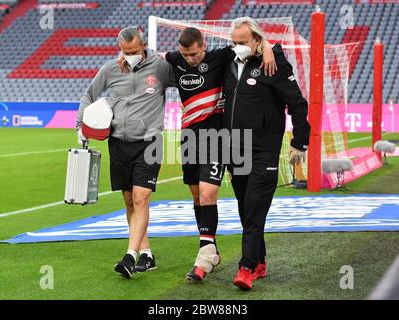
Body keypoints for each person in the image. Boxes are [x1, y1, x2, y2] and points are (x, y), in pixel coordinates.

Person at [118, 26, 277, 283]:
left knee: (208, 192)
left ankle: (205, 256)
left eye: (194, 54)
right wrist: (125, 58)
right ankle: (210, 248)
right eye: (186, 54)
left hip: (217, 137)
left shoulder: (221, 56)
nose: (190, 59)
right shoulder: (174, 60)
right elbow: (147, 55)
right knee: (197, 195)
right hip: (189, 138)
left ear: (203, 46)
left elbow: (252, 47)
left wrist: (268, 47)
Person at [76, 26, 176, 279]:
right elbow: (89, 95)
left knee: (142, 197)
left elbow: (188, 79)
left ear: (143, 46)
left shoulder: (160, 67)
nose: (128, 55)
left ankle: (130, 255)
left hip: (149, 141)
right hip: (118, 143)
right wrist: (81, 125)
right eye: (124, 50)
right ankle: (146, 254)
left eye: (133, 50)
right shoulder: (111, 68)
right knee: (130, 200)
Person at [223, 17, 311, 290]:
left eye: (242, 42)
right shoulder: (227, 62)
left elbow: (297, 103)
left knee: (254, 209)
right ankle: (259, 261)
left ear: (257, 40)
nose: (237, 47)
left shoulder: (274, 64)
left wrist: (300, 142)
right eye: (234, 42)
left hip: (264, 150)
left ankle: (246, 267)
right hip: (234, 149)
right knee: (244, 209)